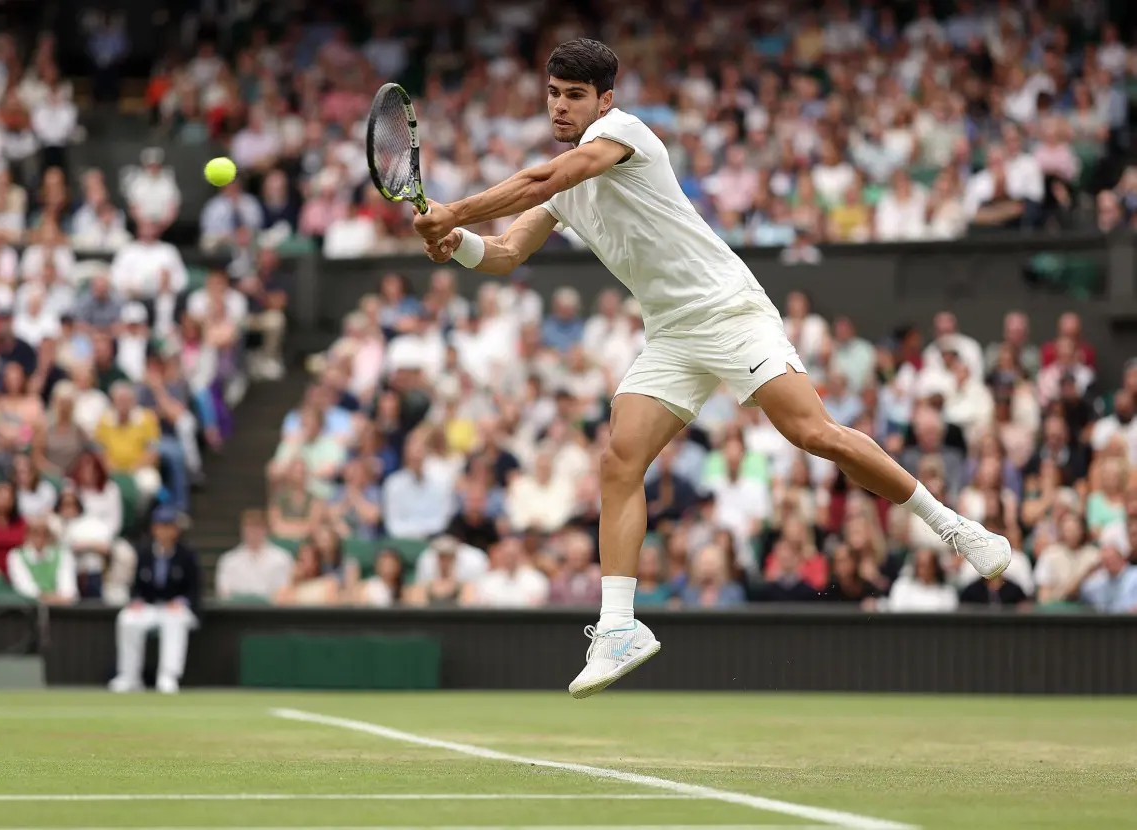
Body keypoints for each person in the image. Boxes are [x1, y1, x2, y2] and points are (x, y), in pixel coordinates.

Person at [414, 38, 1010, 697]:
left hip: (730, 312)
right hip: (670, 334)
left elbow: (545, 178)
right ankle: (618, 628)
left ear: (604, 100)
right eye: (553, 94)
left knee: (814, 435)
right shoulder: (564, 191)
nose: (560, 106)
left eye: (574, 95)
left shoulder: (623, 133)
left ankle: (953, 527)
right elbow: (502, 255)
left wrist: (455, 209)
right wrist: (456, 243)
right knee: (620, 461)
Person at [109, 506, 201, 694]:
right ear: (154, 528)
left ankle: (168, 676)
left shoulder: (187, 555)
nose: (165, 531)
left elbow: (194, 589)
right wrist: (136, 600)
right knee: (127, 619)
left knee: (173, 621)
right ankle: (129, 676)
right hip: (150, 608)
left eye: (169, 526)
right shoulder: (144, 553)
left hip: (177, 609)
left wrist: (181, 602)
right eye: (161, 526)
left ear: (176, 530)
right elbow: (137, 587)